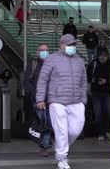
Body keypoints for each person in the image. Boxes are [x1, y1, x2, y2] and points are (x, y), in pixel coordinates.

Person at [36, 34, 87, 169]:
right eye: (70, 45)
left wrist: (83, 99)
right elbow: (43, 79)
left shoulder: (80, 61)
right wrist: (40, 99)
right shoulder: (52, 59)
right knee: (62, 130)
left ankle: (61, 146)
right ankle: (62, 157)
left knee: (75, 130)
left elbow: (83, 82)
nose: (72, 47)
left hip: (76, 101)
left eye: (74, 45)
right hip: (57, 100)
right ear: (62, 45)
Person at [23, 43, 52, 157]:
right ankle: (44, 146)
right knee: (45, 123)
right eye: (42, 50)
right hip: (39, 99)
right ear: (37, 52)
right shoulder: (33, 64)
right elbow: (26, 81)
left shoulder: (52, 65)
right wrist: (35, 94)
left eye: (47, 50)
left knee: (48, 123)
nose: (44, 52)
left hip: (52, 99)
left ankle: (44, 143)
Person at [86, 50, 110, 141]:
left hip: (108, 92)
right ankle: (101, 133)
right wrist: (93, 81)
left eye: (104, 56)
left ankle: (109, 131)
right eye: (101, 55)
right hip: (96, 93)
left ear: (107, 56)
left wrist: (106, 81)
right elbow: (87, 76)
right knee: (98, 114)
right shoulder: (93, 64)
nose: (102, 57)